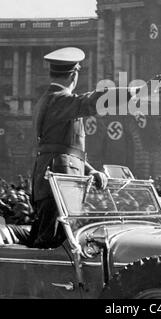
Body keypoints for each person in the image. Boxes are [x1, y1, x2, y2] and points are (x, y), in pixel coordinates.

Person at [28, 47, 144, 249]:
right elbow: (92, 100)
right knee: (51, 246)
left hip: (55, 182)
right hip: (58, 185)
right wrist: (133, 92)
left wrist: (91, 171)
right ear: (74, 75)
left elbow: (62, 150)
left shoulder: (49, 100)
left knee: (58, 243)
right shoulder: (58, 99)